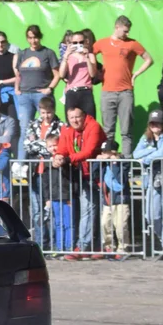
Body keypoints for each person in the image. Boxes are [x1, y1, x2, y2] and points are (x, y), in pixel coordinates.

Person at [93, 16, 153, 156]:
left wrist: (136, 73)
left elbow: (149, 59)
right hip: (107, 92)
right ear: (117, 27)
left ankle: (125, 163)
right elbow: (89, 54)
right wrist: (96, 71)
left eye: (128, 31)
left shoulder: (132, 44)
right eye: (125, 31)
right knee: (108, 131)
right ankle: (109, 162)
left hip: (125, 92)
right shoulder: (102, 43)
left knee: (126, 131)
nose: (127, 34)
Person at [54, 106, 107, 255]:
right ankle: (87, 245)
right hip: (82, 174)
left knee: (101, 211)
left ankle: (94, 246)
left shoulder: (94, 126)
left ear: (84, 116)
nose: (75, 120)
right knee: (88, 210)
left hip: (99, 173)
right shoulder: (67, 130)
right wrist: (57, 156)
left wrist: (68, 158)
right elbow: (62, 148)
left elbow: (89, 151)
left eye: (78, 117)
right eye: (72, 118)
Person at [12, 25, 60, 160]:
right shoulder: (22, 54)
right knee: (25, 130)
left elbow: (57, 74)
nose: (33, 41)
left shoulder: (48, 53)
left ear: (40, 37)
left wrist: (49, 89)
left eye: (36, 37)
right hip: (25, 96)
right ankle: (21, 165)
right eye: (30, 38)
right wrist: (17, 89)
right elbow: (18, 75)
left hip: (42, 95)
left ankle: (46, 162)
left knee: (46, 129)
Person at [134, 111, 163, 257]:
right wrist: (153, 150)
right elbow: (135, 154)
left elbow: (162, 154)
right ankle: (162, 239)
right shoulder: (146, 138)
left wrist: (146, 158)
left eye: (158, 122)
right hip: (151, 179)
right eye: (152, 123)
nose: (155, 125)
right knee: (151, 215)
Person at [23, 96, 63, 247]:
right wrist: (46, 145)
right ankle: (40, 242)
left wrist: (38, 144)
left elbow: (59, 145)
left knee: (50, 209)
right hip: (35, 172)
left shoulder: (60, 125)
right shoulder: (33, 124)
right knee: (36, 210)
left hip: (52, 173)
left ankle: (53, 243)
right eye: (43, 112)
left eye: (49, 112)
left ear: (53, 111)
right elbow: (27, 145)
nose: (46, 116)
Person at [93, 140, 129, 259]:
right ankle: (109, 246)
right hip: (107, 198)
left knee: (120, 225)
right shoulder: (103, 163)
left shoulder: (121, 162)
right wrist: (98, 163)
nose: (103, 154)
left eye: (106, 152)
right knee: (105, 223)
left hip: (120, 198)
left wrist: (114, 163)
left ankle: (122, 248)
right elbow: (94, 174)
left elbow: (120, 179)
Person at [41, 132, 76, 254]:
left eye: (55, 145)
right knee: (58, 223)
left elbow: (73, 179)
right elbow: (45, 182)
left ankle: (69, 247)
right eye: (50, 146)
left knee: (68, 222)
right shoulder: (46, 163)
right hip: (54, 196)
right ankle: (59, 247)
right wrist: (47, 198)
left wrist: (72, 194)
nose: (53, 148)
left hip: (67, 196)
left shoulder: (67, 161)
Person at [59, 30, 99, 119]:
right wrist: (65, 56)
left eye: (81, 42)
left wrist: (87, 57)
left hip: (86, 91)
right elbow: (61, 74)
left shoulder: (90, 56)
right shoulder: (68, 57)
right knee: (72, 122)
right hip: (71, 92)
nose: (78, 44)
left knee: (90, 121)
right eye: (75, 43)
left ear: (86, 42)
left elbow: (92, 74)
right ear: (71, 43)